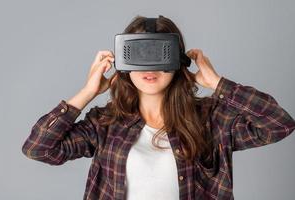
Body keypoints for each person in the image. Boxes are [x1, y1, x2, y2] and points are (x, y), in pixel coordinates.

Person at [22, 15, 295, 200]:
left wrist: (218, 83)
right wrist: (86, 92)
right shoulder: (105, 122)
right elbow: (39, 149)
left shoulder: (212, 119)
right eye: (139, 55)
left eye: (160, 54)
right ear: (125, 63)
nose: (150, 68)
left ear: (177, 61)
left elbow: (279, 124)